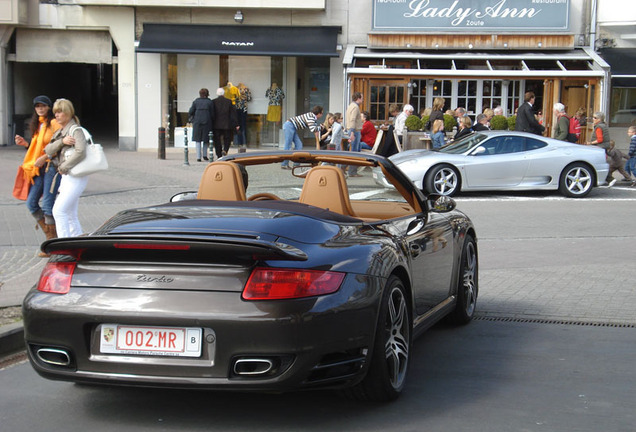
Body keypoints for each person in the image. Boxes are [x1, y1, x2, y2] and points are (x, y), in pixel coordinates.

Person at [14, 95, 61, 256]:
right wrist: (25, 144)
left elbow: (57, 147)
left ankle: (51, 242)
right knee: (31, 203)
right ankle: (50, 235)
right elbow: (35, 150)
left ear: (49, 107)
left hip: (51, 167)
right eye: (37, 106)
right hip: (38, 169)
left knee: (48, 205)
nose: (40, 108)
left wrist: (45, 157)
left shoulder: (54, 123)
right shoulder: (37, 125)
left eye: (43, 106)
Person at [44, 98, 88, 238]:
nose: (56, 115)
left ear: (68, 113)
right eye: (55, 112)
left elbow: (81, 151)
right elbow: (48, 149)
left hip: (75, 175)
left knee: (59, 210)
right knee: (69, 213)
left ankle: (63, 246)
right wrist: (62, 142)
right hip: (68, 176)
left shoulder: (75, 130)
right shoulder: (61, 132)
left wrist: (64, 166)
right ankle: (76, 242)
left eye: (60, 112)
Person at [188, 88, 215, 162]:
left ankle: (198, 157)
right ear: (207, 94)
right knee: (206, 140)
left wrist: (193, 120)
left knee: (198, 140)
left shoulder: (196, 101)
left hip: (197, 123)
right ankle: (205, 155)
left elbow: (190, 112)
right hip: (207, 122)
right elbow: (213, 114)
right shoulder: (210, 102)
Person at [212, 87, 239, 159]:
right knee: (227, 138)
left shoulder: (213, 102)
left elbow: (212, 114)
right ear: (224, 93)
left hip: (216, 124)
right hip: (227, 124)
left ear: (217, 94)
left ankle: (219, 154)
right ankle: (225, 150)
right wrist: (236, 123)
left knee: (217, 140)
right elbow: (233, 114)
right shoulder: (229, 102)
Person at [345, 92, 364, 176]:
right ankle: (352, 172)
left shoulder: (350, 106)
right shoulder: (355, 107)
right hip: (355, 130)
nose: (362, 99)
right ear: (358, 98)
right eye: (362, 98)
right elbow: (353, 119)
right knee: (354, 152)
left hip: (351, 129)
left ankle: (348, 169)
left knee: (351, 150)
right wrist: (352, 132)